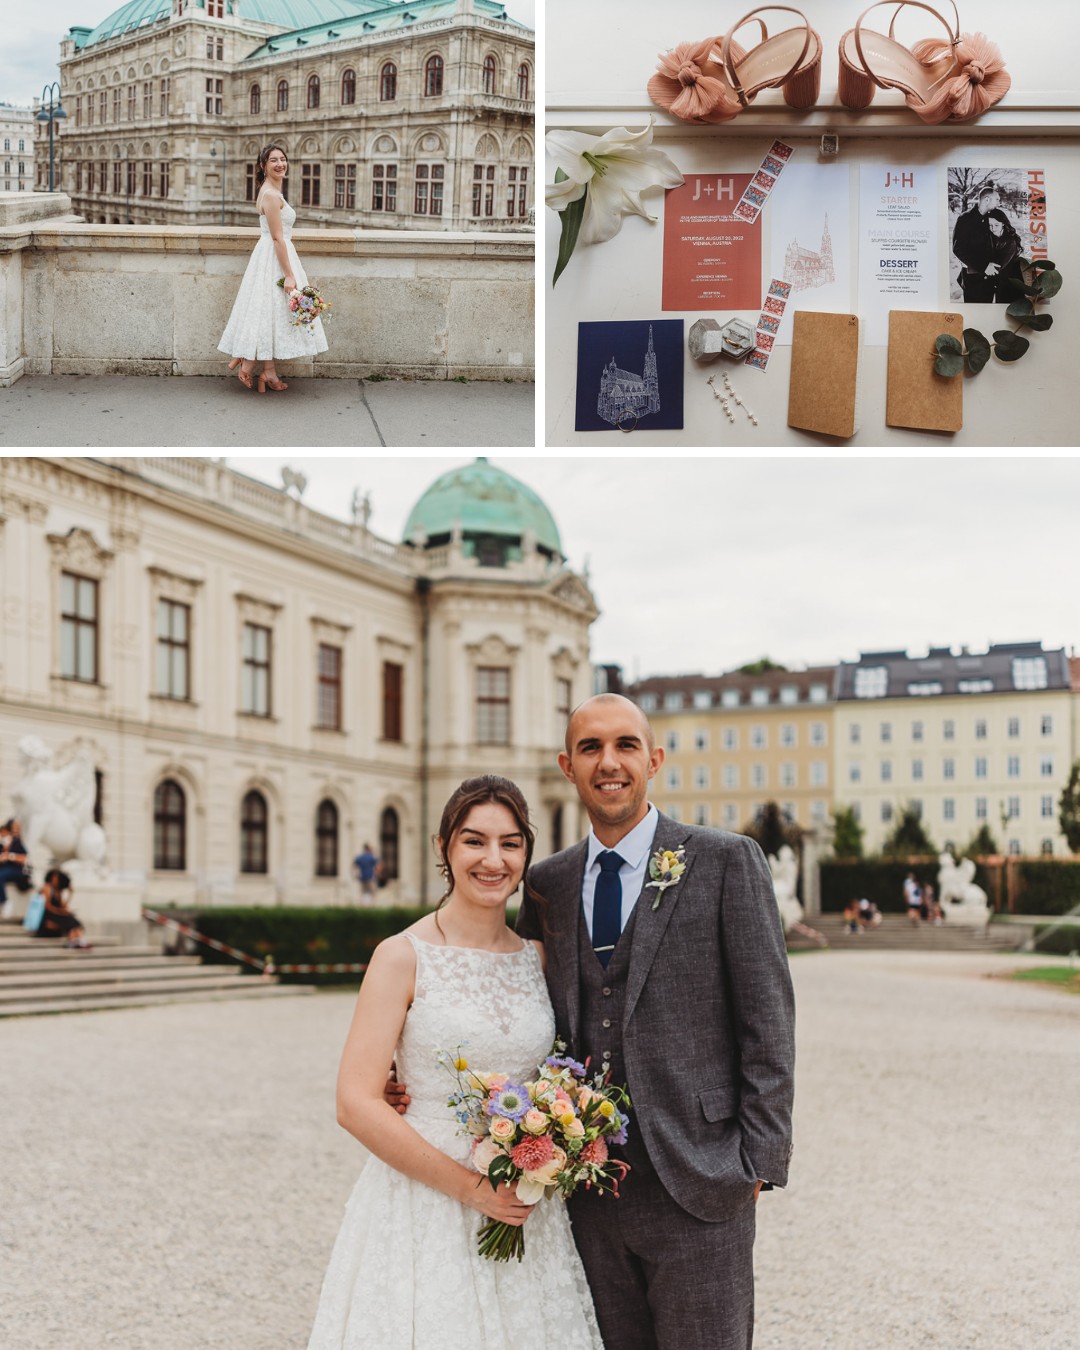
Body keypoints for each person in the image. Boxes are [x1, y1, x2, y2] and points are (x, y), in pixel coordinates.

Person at [520, 694, 794, 1350]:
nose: (608, 762)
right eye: (590, 748)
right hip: (585, 1193)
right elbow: (521, 1007)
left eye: (625, 746)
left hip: (701, 1183)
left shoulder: (727, 862)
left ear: (655, 760)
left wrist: (756, 1162)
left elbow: (768, 1021)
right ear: (567, 765)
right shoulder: (546, 885)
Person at [308, 775, 602, 1349]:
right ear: (444, 847)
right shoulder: (400, 957)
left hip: (524, 1201)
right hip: (424, 1203)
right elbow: (355, 1102)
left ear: (525, 855)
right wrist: (472, 1189)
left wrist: (563, 1133)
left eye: (510, 843)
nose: (493, 859)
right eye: (475, 841)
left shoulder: (539, 959)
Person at [218, 143, 328, 393]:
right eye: (273, 160)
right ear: (263, 166)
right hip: (275, 256)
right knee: (267, 311)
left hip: (272, 255)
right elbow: (278, 237)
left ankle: (266, 371)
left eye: (282, 159)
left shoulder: (271, 191)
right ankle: (247, 363)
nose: (280, 164)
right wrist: (289, 275)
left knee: (269, 312)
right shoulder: (270, 195)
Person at [952, 184, 1003, 302]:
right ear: (986, 200)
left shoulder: (991, 219)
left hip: (991, 280)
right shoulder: (965, 219)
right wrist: (984, 266)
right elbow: (958, 248)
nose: (998, 203)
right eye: (997, 200)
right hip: (973, 281)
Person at [34, 867, 91, 948]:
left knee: (70, 917)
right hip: (47, 919)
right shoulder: (46, 888)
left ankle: (77, 939)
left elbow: (64, 907)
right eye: (55, 877)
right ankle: (73, 940)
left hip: (56, 918)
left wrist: (70, 894)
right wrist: (61, 912)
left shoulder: (58, 892)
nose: (56, 880)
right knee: (67, 917)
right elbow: (47, 907)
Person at [0, 817, 31, 915]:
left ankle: (5, 902)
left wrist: (9, 856)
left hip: (16, 870)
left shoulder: (16, 843)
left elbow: (24, 858)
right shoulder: (1, 845)